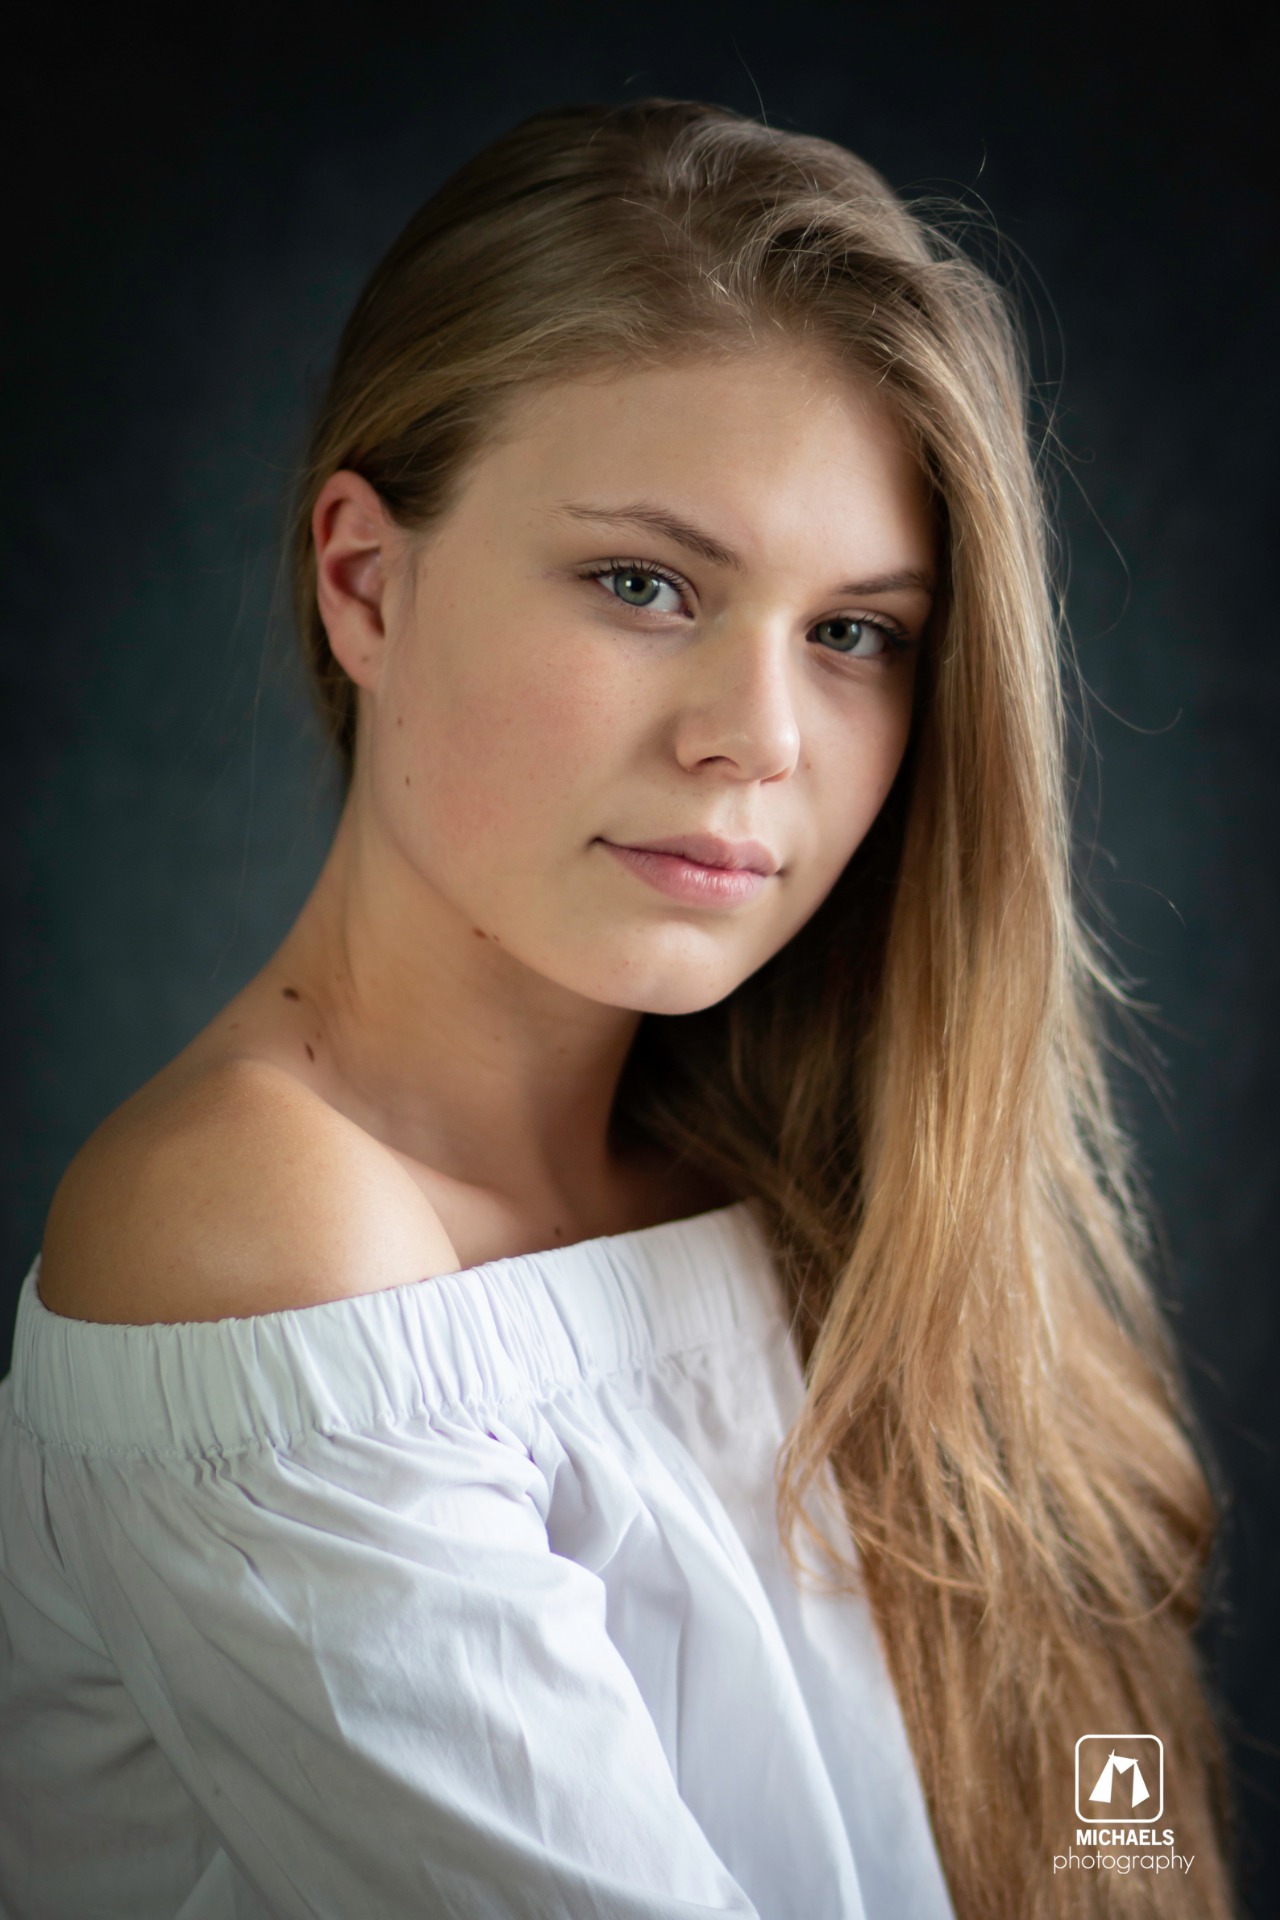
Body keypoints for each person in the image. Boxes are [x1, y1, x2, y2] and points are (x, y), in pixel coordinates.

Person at [0, 100, 1233, 1920]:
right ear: (365, 583)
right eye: (645, 585)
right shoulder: (267, 1237)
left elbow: (1103, 1835)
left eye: (855, 633)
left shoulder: (834, 1196)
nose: (760, 738)